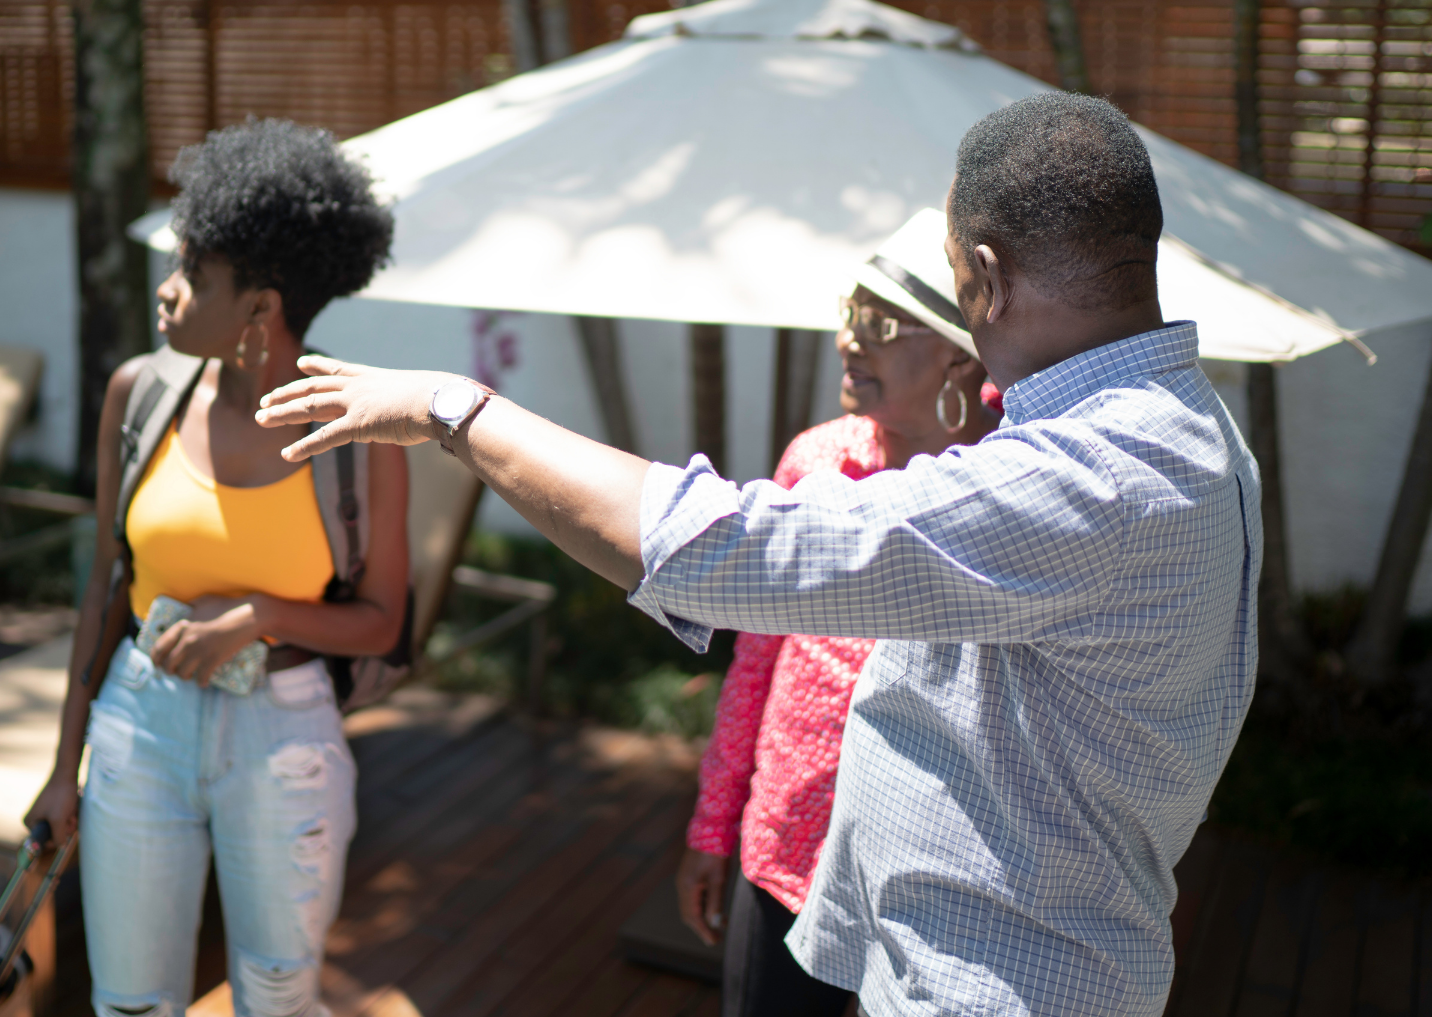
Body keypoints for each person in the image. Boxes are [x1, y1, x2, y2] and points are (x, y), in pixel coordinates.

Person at [253, 92, 1261, 1017]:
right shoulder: (1186, 429)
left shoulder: (1091, 478)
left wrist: (453, 410)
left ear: (987, 281)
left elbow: (729, 545)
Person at [25, 119, 405, 1017]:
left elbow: (385, 620)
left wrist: (259, 615)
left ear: (259, 308)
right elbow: (105, 587)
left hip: (284, 741)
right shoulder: (139, 395)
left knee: (276, 997)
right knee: (127, 1003)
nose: (168, 292)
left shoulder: (359, 437)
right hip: (138, 727)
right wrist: (61, 766)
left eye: (193, 272)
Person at [676, 212, 1001, 1017]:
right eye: (848, 315)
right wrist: (714, 828)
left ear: (957, 353)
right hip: (785, 848)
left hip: (936, 882)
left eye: (878, 323)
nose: (849, 341)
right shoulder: (815, 460)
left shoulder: (1007, 482)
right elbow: (755, 662)